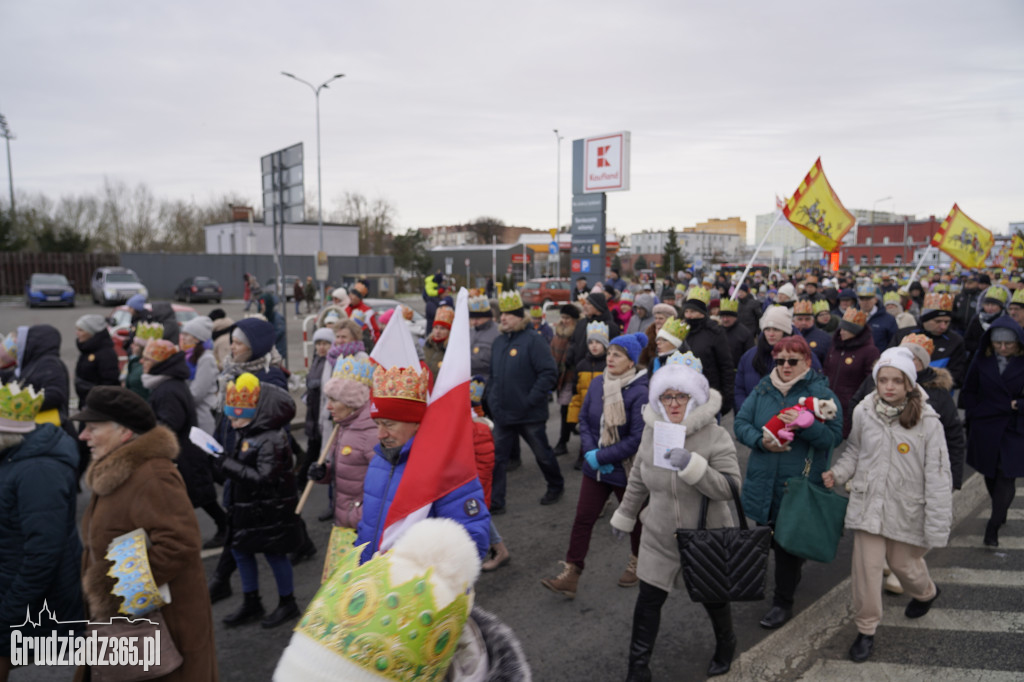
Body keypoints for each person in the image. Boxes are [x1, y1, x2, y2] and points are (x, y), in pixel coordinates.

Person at [610, 351, 741, 679]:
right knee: (648, 602)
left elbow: (730, 487)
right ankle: (637, 669)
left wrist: (694, 467)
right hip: (658, 535)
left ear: (694, 397)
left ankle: (726, 643)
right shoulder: (653, 433)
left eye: (681, 395)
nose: (673, 403)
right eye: (666, 396)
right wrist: (624, 515)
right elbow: (638, 478)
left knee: (714, 601)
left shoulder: (715, 436)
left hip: (706, 537)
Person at [74, 386, 218, 680]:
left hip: (164, 628)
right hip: (133, 625)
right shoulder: (119, 470)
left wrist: (110, 587)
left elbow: (180, 544)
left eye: (92, 428)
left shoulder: (152, 475)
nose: (82, 436)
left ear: (125, 432)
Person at [823, 347, 952, 663]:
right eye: (883, 380)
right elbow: (855, 452)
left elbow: (938, 477)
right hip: (867, 504)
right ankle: (866, 630)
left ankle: (925, 592)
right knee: (866, 571)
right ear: (876, 382)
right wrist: (837, 473)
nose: (889, 386)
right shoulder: (864, 413)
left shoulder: (928, 423)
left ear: (909, 383)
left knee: (903, 564)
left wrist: (937, 526)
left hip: (906, 508)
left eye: (897, 380)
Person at [734, 334, 843, 630]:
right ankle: (793, 570)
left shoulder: (822, 395)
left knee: (785, 546)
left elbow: (834, 437)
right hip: (764, 479)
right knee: (769, 538)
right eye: (779, 360)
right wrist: (761, 441)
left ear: (806, 362)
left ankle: (783, 602)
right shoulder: (763, 388)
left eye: (792, 361)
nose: (784, 366)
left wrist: (806, 427)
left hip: (797, 483)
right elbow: (740, 424)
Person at [541, 332, 650, 599]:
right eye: (609, 353)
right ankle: (572, 573)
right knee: (583, 519)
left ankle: (639, 562)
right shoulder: (599, 383)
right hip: (595, 468)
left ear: (631, 361)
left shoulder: (640, 391)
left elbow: (637, 439)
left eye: (617, 355)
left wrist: (603, 457)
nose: (609, 358)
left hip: (625, 470)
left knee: (635, 521)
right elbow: (587, 422)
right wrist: (590, 451)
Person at [355, 359, 491, 564]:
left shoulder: (446, 468)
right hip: (374, 584)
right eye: (377, 424)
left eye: (389, 424)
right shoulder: (378, 461)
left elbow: (472, 541)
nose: (380, 434)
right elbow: (368, 526)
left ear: (417, 423)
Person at [0, 383, 85, 681]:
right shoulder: (13, 457)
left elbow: (43, 551)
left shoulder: (37, 471)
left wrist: (12, 606)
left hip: (32, 595)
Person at [217, 373, 303, 628]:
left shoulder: (272, 438)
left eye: (238, 416)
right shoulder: (251, 431)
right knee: (241, 551)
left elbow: (264, 478)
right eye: (231, 416)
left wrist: (227, 465)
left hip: (270, 510)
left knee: (274, 554)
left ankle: (288, 602)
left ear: (257, 412)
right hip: (249, 509)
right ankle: (251, 601)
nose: (232, 423)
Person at [851, 334, 966, 492]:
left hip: (914, 475)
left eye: (913, 358)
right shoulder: (877, 380)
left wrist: (953, 478)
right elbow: (856, 407)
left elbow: (953, 436)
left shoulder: (938, 392)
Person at [142, 338, 226, 549]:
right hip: (185, 451)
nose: (142, 362)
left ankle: (222, 529)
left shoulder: (168, 389)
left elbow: (171, 423)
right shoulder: (167, 384)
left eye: (147, 358)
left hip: (184, 454)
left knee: (195, 498)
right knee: (193, 498)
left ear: (159, 362)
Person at [486, 291, 564, 512]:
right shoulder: (499, 342)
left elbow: (549, 373)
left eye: (509, 314)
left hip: (529, 414)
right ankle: (496, 502)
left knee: (543, 454)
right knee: (497, 460)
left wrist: (529, 400)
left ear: (520, 317)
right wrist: (492, 398)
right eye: (502, 314)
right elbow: (494, 375)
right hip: (503, 414)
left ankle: (556, 485)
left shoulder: (533, 340)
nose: (503, 318)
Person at [959, 316, 1024, 547]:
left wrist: (1017, 406)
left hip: (1014, 429)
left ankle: (993, 526)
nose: (1003, 348)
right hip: (985, 426)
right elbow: (969, 391)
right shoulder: (981, 360)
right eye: (998, 344)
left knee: (1006, 476)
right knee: (990, 474)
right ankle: (1000, 510)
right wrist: (976, 413)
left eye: (1009, 344)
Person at [307, 355, 377, 530]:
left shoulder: (371, 434)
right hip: (344, 522)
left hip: (359, 527)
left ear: (351, 402)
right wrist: (324, 473)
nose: (328, 407)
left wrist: (356, 517)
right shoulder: (344, 426)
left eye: (334, 400)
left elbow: (382, 489)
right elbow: (350, 472)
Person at [889, 292, 969, 387]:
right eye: (938, 321)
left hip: (938, 393)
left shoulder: (955, 341)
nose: (943, 326)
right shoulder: (903, 334)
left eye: (946, 322)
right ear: (925, 320)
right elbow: (889, 361)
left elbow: (958, 375)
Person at [823, 309, 880, 439]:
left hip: (851, 407)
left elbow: (871, 382)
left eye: (846, 330)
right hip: (829, 403)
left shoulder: (870, 352)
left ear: (856, 332)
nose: (841, 332)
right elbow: (826, 369)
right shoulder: (835, 347)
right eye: (841, 329)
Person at [680, 288, 735, 415]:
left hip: (709, 394)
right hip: (684, 394)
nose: (689, 315)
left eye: (693, 311)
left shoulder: (715, 332)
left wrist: (726, 398)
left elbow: (726, 366)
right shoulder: (682, 331)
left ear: (702, 313)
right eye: (686, 311)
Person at [567, 321, 609, 469]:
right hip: (587, 410)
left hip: (604, 411)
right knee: (586, 436)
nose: (594, 346)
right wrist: (573, 417)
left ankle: (603, 457)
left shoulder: (608, 366)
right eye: (591, 342)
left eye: (598, 342)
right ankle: (583, 455)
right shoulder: (581, 365)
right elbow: (576, 393)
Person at [300, 327, 335, 494]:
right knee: (313, 450)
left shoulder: (331, 363)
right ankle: (302, 483)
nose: (321, 347)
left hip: (322, 414)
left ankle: (301, 483)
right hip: (312, 414)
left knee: (319, 453)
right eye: (318, 344)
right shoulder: (316, 360)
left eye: (326, 344)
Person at [180, 316, 219, 436]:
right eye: (183, 334)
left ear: (197, 338)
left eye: (187, 335)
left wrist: (178, 401)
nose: (183, 338)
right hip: (190, 413)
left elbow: (197, 393)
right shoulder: (187, 356)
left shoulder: (206, 359)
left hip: (202, 417)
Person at [552, 303, 582, 456]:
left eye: (567, 318)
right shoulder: (558, 333)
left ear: (575, 320)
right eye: (562, 317)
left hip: (572, 377)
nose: (564, 320)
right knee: (566, 409)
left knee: (567, 409)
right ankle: (569, 431)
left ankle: (563, 442)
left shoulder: (578, 334)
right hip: (560, 378)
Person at [73, 314, 120, 405]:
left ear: (91, 332)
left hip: (98, 406)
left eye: (81, 330)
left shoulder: (106, 354)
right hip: (86, 402)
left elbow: (110, 383)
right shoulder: (87, 349)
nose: (77, 333)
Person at [964, 285, 1009, 356]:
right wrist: (982, 347)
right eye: (987, 304)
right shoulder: (977, 319)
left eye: (993, 304)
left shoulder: (1006, 321)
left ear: (1000, 307)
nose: (990, 307)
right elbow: (967, 340)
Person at [857, 283, 898, 351]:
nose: (865, 302)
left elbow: (894, 342)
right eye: (862, 299)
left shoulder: (888, 319)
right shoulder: (853, 317)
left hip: (880, 358)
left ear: (875, 300)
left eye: (868, 299)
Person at [792, 300, 831, 366]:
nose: (803, 322)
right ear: (793, 321)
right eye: (800, 319)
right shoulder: (788, 336)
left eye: (807, 319)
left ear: (813, 320)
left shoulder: (825, 338)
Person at [424, 306, 454, 380]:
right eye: (436, 327)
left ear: (449, 331)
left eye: (442, 328)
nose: (437, 332)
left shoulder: (451, 351)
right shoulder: (426, 346)